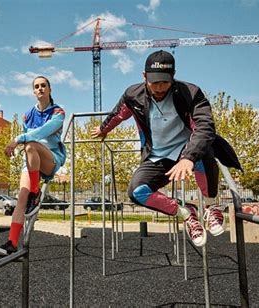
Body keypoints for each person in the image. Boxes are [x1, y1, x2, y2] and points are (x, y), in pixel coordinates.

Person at [91, 50, 242, 247]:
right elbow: (118, 114)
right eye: (154, 82)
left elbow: (205, 126)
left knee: (205, 147)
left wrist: (188, 157)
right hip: (157, 157)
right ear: (144, 77)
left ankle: (211, 206)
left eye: (165, 82)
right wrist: (104, 130)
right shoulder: (133, 95)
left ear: (173, 76)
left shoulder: (190, 92)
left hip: (188, 150)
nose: (160, 88)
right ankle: (186, 213)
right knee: (136, 191)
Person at [0, 76, 66, 256]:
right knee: (22, 195)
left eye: (43, 86)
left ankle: (35, 192)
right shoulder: (28, 115)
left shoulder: (58, 113)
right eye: (36, 86)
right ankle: (12, 242)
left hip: (50, 157)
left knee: (30, 144)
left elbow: (42, 132)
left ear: (50, 89)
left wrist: (17, 139)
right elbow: (28, 137)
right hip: (32, 159)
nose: (40, 89)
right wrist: (21, 141)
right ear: (33, 92)